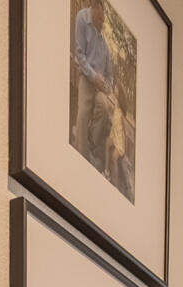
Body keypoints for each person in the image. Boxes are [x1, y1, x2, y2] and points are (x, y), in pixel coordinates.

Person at [70, 0, 115, 175]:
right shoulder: (82, 19)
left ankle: (91, 144)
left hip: (100, 88)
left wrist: (106, 85)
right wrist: (93, 76)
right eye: (99, 20)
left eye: (103, 21)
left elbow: (110, 77)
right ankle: (80, 156)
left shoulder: (104, 44)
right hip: (86, 76)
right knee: (82, 114)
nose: (101, 24)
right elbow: (79, 54)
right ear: (94, 9)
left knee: (104, 107)